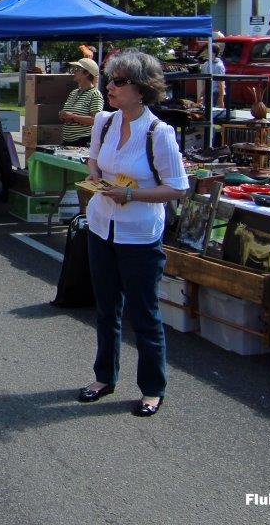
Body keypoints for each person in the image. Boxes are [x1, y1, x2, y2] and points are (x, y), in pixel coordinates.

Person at [77, 50, 190, 418]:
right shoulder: (104, 121)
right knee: (106, 308)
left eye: (120, 81)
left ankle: (152, 388)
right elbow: (93, 157)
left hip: (139, 234)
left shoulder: (159, 132)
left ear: (141, 90)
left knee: (144, 314)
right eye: (110, 79)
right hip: (100, 226)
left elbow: (177, 187)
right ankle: (104, 377)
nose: (110, 86)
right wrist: (95, 175)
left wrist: (131, 194)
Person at [59, 58, 104, 148]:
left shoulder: (95, 94)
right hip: (67, 141)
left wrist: (72, 116)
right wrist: (63, 116)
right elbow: (68, 113)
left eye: (77, 69)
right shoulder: (74, 92)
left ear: (87, 73)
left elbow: (95, 120)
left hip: (83, 142)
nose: (74, 72)